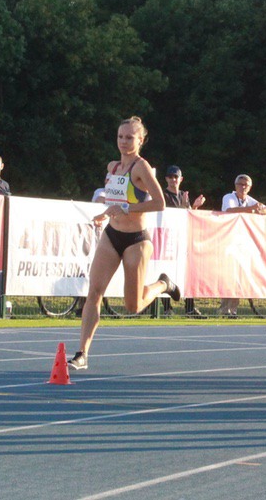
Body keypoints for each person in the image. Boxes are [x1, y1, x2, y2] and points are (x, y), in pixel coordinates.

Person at [68, 117, 181, 370]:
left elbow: (160, 203)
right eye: (120, 136)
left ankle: (163, 284)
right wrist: (106, 213)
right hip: (112, 235)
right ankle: (82, 353)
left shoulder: (141, 168)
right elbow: (116, 201)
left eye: (129, 137)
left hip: (136, 241)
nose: (123, 141)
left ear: (140, 140)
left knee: (133, 305)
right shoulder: (113, 167)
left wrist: (128, 208)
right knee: (94, 292)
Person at [219, 174, 266, 315]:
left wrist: (258, 210)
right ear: (235, 185)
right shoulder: (229, 197)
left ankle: (233, 309)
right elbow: (229, 211)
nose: (242, 187)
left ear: (250, 187)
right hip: (228, 241)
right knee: (229, 275)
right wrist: (251, 210)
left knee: (239, 277)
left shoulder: (250, 200)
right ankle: (224, 309)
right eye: (240, 184)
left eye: (245, 185)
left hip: (243, 244)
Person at [160, 165, 204, 316]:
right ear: (166, 179)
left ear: (181, 179)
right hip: (167, 239)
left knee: (187, 271)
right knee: (165, 271)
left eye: (176, 177)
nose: (173, 180)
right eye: (170, 177)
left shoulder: (183, 195)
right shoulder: (163, 195)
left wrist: (194, 206)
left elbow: (188, 215)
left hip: (182, 239)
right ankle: (167, 308)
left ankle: (190, 308)